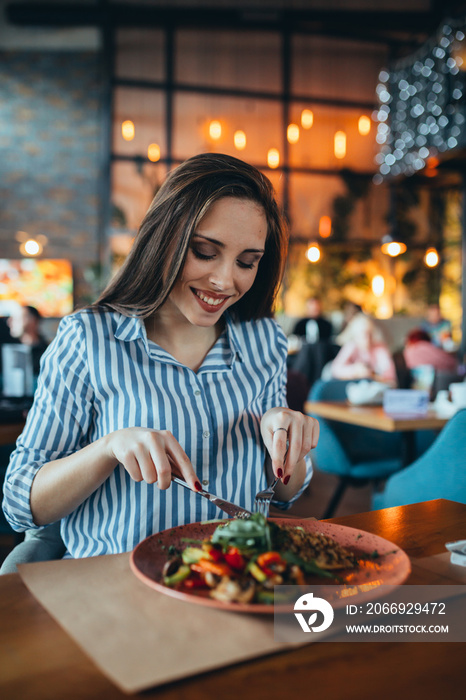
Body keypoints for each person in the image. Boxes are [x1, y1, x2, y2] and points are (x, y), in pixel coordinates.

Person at [2, 153, 319, 564]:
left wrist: (287, 443)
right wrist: (107, 449)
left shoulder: (264, 340)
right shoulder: (90, 338)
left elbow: (285, 495)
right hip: (118, 592)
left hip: (235, 583)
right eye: (205, 252)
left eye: (247, 262)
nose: (226, 280)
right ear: (164, 238)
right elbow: (20, 503)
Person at [330, 312, 396, 383]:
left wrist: (371, 374)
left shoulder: (380, 348)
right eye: (364, 334)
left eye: (370, 334)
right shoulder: (351, 346)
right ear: (356, 335)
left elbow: (390, 375)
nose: (368, 338)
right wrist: (355, 370)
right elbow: (335, 369)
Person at [7, 304, 49, 375]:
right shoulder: (9, 350)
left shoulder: (48, 353)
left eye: (17, 318)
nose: (9, 322)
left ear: (33, 320)